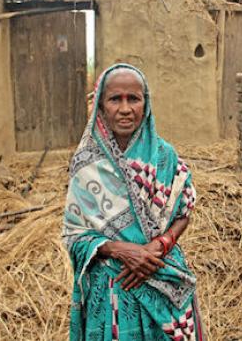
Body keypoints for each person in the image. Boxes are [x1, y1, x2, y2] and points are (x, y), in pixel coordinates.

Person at [62, 63, 204, 340]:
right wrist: (121, 250)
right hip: (113, 287)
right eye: (115, 99)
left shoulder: (164, 156)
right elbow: (74, 235)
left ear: (145, 103)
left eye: (133, 99)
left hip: (163, 275)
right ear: (101, 106)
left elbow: (184, 210)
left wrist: (158, 246)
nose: (125, 109)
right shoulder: (86, 164)